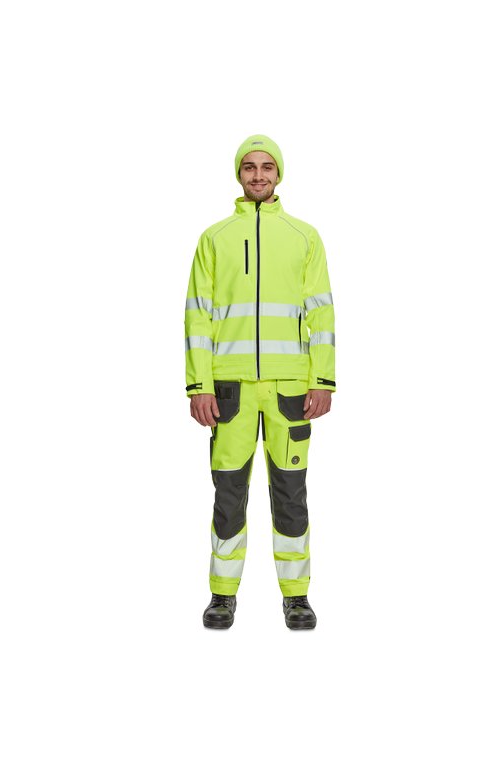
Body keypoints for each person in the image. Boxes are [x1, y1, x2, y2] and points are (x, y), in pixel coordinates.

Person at [184, 135, 336, 630]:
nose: (258, 175)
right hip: (229, 390)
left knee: (290, 493)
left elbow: (321, 314)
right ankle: (222, 594)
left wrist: (323, 380)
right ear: (238, 174)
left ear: (279, 173)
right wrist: (199, 386)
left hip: (291, 389)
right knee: (228, 495)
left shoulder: (304, 237)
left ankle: (297, 596)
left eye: (267, 166)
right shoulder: (214, 239)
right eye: (249, 167)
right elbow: (198, 318)